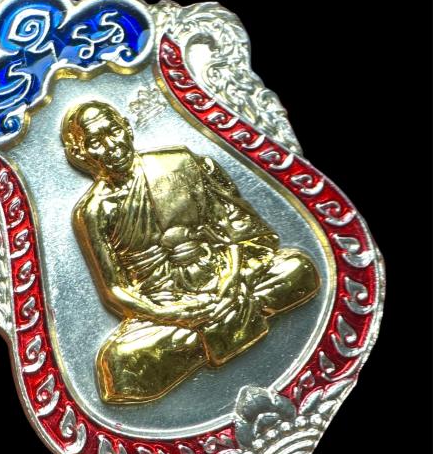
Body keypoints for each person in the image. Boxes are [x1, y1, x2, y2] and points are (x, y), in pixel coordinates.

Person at [62, 100, 320, 404]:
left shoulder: (179, 162)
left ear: (127, 129)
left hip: (227, 277)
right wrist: (176, 313)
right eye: (95, 142)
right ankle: (220, 325)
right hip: (166, 307)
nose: (111, 146)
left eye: (113, 132)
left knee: (298, 268)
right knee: (121, 364)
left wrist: (230, 279)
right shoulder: (94, 211)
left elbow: (230, 230)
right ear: (79, 153)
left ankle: (203, 340)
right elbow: (115, 291)